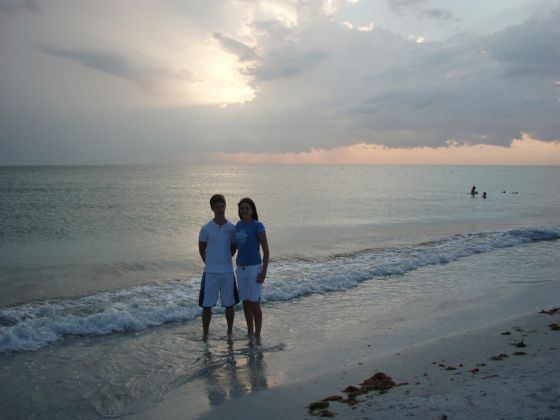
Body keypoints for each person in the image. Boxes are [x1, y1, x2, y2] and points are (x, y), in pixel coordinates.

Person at [198, 194, 238, 338]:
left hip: (227, 271)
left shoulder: (232, 228)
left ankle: (229, 331)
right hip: (211, 272)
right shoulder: (206, 228)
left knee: (229, 304)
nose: (220, 209)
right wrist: (210, 262)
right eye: (217, 207)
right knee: (207, 305)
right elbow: (201, 248)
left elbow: (234, 248)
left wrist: (225, 259)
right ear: (212, 208)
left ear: (225, 206)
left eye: (222, 206)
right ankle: (205, 332)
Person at [235, 198, 269, 339]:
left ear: (252, 210)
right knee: (245, 302)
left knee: (254, 303)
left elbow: (266, 251)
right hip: (240, 268)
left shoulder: (258, 226)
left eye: (247, 208)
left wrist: (263, 272)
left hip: (254, 269)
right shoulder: (238, 225)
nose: (244, 210)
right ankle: (249, 332)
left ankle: (258, 334)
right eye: (242, 208)